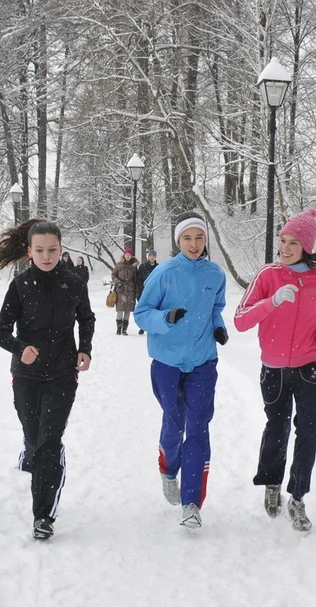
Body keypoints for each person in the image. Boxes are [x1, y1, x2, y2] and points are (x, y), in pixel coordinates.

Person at [0, 219, 96, 542]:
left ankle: (43, 516)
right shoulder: (20, 286)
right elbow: (0, 332)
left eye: (52, 250)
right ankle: (31, 451)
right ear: (29, 251)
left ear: (61, 249)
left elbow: (86, 318)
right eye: (39, 250)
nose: (46, 256)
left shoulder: (75, 283)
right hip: (26, 377)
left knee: (49, 442)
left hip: (63, 374)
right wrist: (20, 348)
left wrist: (85, 349)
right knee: (34, 438)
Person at [233, 208, 316, 532]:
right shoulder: (268, 276)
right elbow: (240, 320)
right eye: (282, 240)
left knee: (309, 430)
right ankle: (272, 483)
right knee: (276, 428)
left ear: (306, 246)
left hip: (309, 365)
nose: (285, 247)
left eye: (293, 242)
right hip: (274, 368)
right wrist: (272, 302)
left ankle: (297, 498)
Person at [133, 213, 228, 529]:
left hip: (203, 361)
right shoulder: (164, 273)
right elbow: (142, 314)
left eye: (199, 238)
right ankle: (168, 468)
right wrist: (166, 319)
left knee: (198, 426)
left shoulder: (216, 274)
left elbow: (216, 308)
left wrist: (219, 328)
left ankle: (191, 503)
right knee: (174, 421)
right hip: (167, 362)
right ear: (178, 240)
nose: (194, 244)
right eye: (187, 238)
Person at [111, 248, 139, 335]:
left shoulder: (134, 266)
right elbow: (113, 274)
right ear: (124, 255)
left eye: (129, 255)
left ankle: (124, 329)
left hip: (130, 290)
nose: (128, 256)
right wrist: (118, 282)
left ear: (131, 256)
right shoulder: (119, 265)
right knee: (120, 309)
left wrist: (136, 291)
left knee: (128, 310)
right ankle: (118, 328)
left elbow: (135, 280)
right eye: (126, 254)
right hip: (121, 290)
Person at [135, 250, 160, 335]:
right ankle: (142, 327)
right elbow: (138, 279)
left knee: (153, 310)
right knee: (144, 310)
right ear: (148, 257)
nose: (152, 257)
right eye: (150, 255)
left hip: (155, 292)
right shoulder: (143, 266)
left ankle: (152, 327)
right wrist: (141, 289)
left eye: (153, 256)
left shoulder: (158, 267)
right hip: (144, 292)